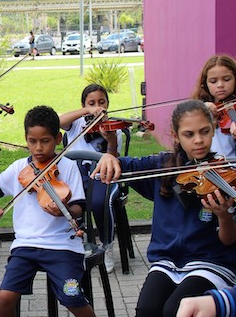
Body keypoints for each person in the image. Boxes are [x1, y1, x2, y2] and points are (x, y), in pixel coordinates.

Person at [93, 100, 236, 317]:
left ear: (214, 128)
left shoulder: (224, 176)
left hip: (210, 262)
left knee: (174, 311)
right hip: (166, 261)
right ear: (176, 135)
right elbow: (121, 164)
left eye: (205, 132)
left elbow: (229, 240)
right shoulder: (161, 167)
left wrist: (223, 216)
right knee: (146, 310)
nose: (198, 140)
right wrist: (108, 157)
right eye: (189, 134)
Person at [0, 106, 95, 317]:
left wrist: (65, 210)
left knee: (72, 296)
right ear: (25, 139)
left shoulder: (67, 167)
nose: (38, 148)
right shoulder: (19, 168)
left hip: (63, 246)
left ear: (58, 139)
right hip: (26, 245)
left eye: (45, 141)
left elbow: (79, 207)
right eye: (32, 141)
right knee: (5, 298)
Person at [59, 84, 122, 272]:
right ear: (84, 104)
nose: (97, 106)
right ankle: (72, 246)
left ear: (108, 104)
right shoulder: (76, 124)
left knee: (100, 202)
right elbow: (58, 121)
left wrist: (110, 140)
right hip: (75, 175)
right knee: (64, 200)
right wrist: (86, 111)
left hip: (102, 175)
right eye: (91, 103)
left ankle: (107, 245)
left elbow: (114, 159)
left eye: (101, 102)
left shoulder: (114, 128)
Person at [193, 55, 236, 158]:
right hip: (206, 167)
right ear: (205, 83)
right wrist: (200, 111)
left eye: (226, 79)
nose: (220, 85)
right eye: (213, 81)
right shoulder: (199, 106)